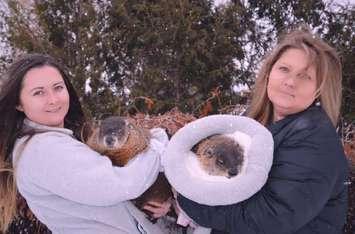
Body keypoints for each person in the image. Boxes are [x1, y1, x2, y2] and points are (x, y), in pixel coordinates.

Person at [176, 27, 349, 233]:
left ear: (318, 90)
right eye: (284, 69)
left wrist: (188, 201)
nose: (290, 82)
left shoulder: (316, 138)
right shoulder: (252, 124)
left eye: (305, 76)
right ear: (269, 73)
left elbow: (270, 218)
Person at [0, 53, 171, 234]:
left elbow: (107, 197)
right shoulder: (43, 149)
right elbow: (123, 184)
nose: (53, 99)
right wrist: (157, 143)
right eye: (38, 92)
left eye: (58, 88)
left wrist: (158, 201)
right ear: (18, 103)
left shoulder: (49, 142)